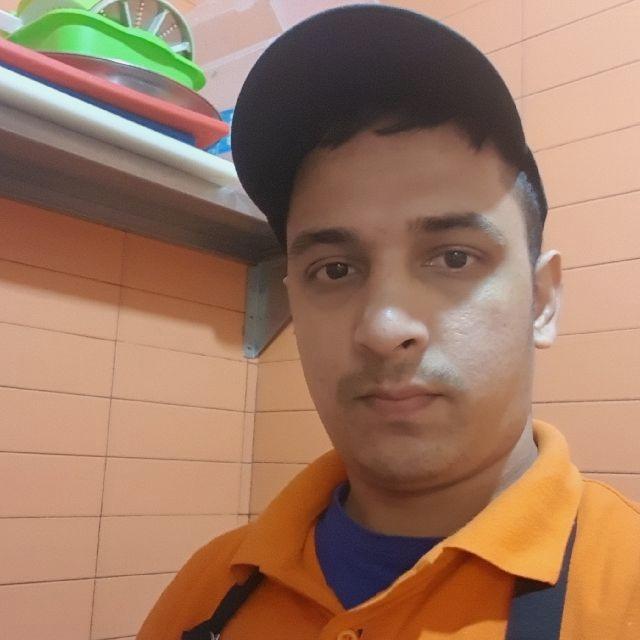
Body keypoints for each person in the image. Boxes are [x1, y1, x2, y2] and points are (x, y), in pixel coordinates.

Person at [137, 5, 640, 639]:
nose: (383, 328)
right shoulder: (210, 589)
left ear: (542, 300)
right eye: (335, 270)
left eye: (453, 258)